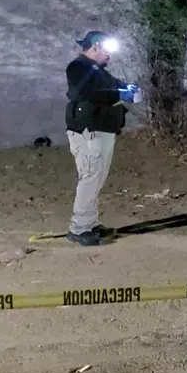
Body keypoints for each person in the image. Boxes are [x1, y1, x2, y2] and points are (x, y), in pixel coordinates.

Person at [64, 31, 139, 246]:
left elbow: (112, 85)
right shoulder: (78, 68)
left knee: (96, 178)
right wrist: (119, 94)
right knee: (90, 177)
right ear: (95, 47)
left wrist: (126, 89)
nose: (109, 55)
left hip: (101, 130)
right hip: (89, 131)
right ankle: (79, 229)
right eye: (106, 50)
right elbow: (89, 92)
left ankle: (90, 223)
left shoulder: (98, 71)